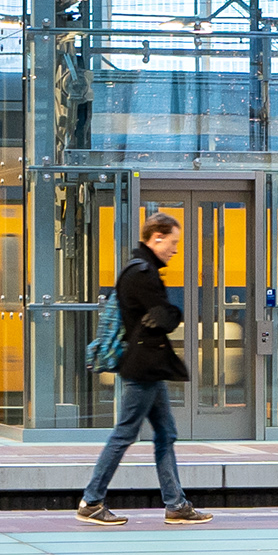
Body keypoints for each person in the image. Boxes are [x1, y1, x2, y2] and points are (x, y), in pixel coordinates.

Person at [79, 209, 211, 527]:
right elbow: (163, 315)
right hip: (142, 367)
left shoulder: (139, 268)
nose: (175, 249)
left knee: (165, 433)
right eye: (173, 242)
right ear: (157, 238)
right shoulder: (142, 273)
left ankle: (176, 504)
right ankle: (92, 500)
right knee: (125, 433)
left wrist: (167, 313)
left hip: (147, 366)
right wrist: (174, 313)